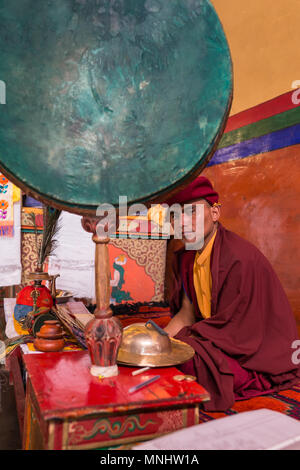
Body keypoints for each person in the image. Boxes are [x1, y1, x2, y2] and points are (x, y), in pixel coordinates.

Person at [164, 176, 300, 411]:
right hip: (218, 339)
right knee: (166, 349)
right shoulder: (187, 258)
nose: (184, 222)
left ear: (215, 213)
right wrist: (158, 341)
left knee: (186, 357)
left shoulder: (239, 258)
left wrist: (181, 343)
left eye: (191, 212)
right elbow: (187, 315)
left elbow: (239, 332)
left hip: (255, 353)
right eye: (176, 215)